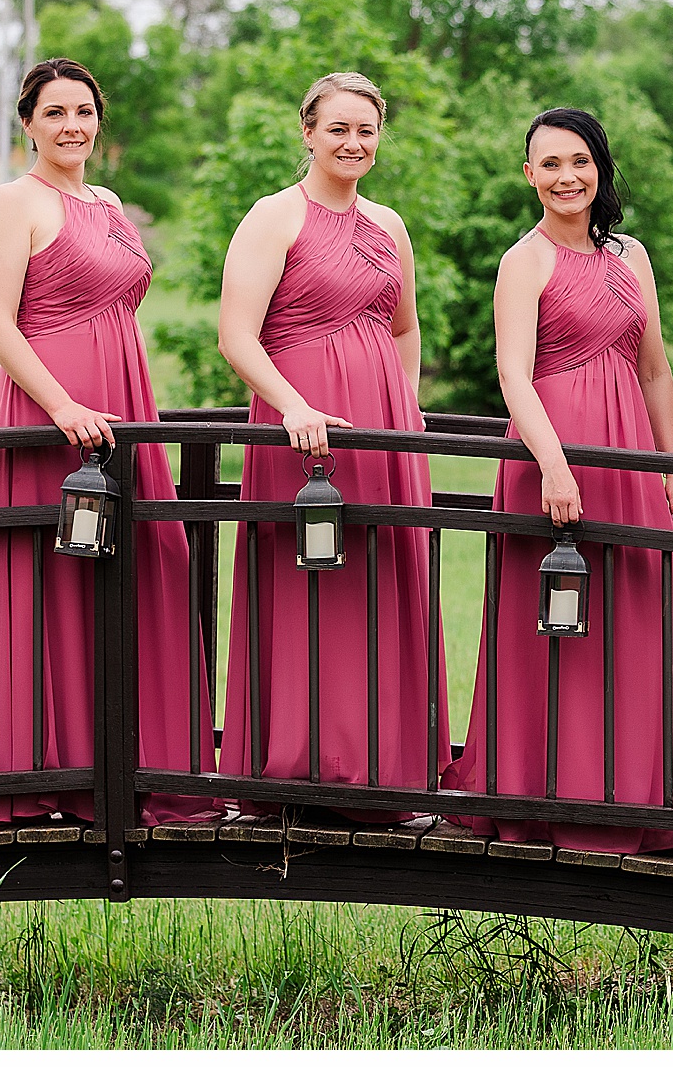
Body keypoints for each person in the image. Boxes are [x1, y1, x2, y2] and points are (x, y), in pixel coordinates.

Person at [0, 58, 209, 826]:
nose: (73, 126)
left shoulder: (109, 202)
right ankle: (45, 773)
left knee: (150, 564)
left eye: (85, 112)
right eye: (56, 113)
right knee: (55, 577)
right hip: (51, 409)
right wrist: (62, 404)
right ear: (28, 124)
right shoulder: (14, 201)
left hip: (125, 399)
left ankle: (143, 762)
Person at [446, 109, 673, 850]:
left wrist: (671, 466)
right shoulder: (524, 260)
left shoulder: (633, 257)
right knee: (556, 627)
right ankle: (549, 793)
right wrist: (552, 464)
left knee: (637, 614)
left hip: (628, 456)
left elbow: (654, 367)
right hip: (552, 453)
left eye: (579, 162)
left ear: (600, 167)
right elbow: (512, 374)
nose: (566, 178)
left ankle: (640, 794)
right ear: (530, 176)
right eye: (549, 165)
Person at [215, 72, 448, 807]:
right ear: (308, 132)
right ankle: (297, 765)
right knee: (310, 580)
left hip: (380, 430)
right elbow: (236, 336)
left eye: (367, 130)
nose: (354, 142)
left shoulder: (390, 226)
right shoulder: (273, 217)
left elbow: (405, 327)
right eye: (339, 128)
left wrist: (401, 412)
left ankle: (386, 763)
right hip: (299, 430)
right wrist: (293, 405)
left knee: (379, 580)